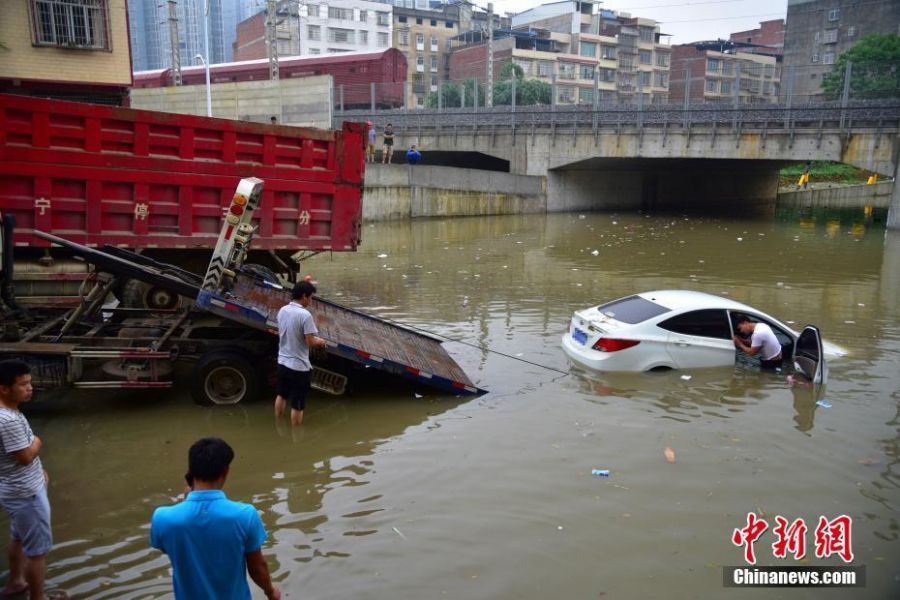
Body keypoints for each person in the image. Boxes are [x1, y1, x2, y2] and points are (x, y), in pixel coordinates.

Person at [150, 437, 280, 600]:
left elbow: (168, 547)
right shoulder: (245, 515)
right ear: (225, 471)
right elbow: (257, 567)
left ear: (191, 471)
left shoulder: (162, 518)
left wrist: (186, 504)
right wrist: (270, 592)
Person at [0, 360, 62, 600]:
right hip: (26, 493)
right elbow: (25, 456)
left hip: (16, 487)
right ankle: (39, 598)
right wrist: (38, 441)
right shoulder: (8, 420)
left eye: (30, 383)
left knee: (18, 536)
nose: (30, 388)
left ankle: (16, 582)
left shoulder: (9, 412)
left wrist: (39, 471)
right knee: (38, 552)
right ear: (4, 388)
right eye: (23, 384)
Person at [274, 280, 327, 426]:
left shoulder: (282, 310)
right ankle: (296, 435)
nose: (311, 301)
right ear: (304, 296)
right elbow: (310, 341)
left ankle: (278, 423)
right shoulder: (305, 315)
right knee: (297, 403)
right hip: (298, 366)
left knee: (282, 394)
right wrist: (321, 342)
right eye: (310, 298)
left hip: (282, 361)